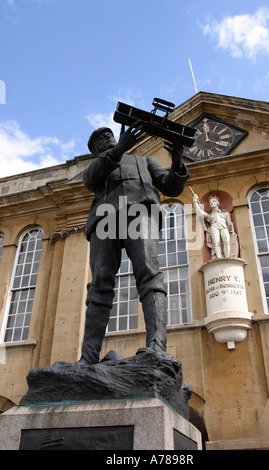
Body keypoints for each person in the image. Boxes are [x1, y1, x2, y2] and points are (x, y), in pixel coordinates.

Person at [77, 121, 190, 365]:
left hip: (141, 211)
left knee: (149, 273)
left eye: (109, 135)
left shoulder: (144, 161)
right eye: (101, 138)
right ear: (94, 149)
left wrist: (178, 161)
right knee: (99, 283)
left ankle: (157, 345)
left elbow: (170, 186)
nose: (108, 138)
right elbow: (89, 180)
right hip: (105, 216)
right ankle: (87, 357)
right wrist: (117, 151)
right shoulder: (99, 165)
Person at [193, 193, 237, 259]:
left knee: (227, 241)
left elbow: (229, 223)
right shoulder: (209, 216)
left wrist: (232, 231)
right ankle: (219, 258)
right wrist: (195, 201)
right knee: (216, 242)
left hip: (223, 227)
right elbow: (199, 212)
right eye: (210, 202)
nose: (212, 203)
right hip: (214, 227)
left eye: (213, 201)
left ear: (217, 203)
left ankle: (227, 257)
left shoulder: (225, 213)